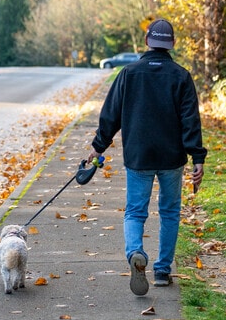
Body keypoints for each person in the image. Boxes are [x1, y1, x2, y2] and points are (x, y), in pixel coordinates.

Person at [87, 18, 207, 296]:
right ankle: (163, 271)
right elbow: (191, 120)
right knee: (169, 212)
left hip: (138, 156)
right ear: (172, 44)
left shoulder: (128, 74)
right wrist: (197, 157)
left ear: (146, 43)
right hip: (172, 157)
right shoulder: (181, 76)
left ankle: (135, 254)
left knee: (135, 211)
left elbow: (110, 116)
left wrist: (97, 147)